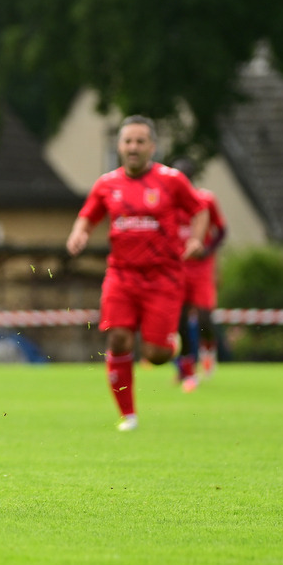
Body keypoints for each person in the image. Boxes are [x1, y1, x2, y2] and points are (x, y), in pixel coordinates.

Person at [66, 115, 208, 431]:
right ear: (119, 146)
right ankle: (128, 415)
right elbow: (87, 216)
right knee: (118, 338)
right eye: (128, 141)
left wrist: (197, 239)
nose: (133, 147)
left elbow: (200, 209)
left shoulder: (171, 180)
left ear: (152, 147)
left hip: (163, 277)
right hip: (121, 275)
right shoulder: (107, 184)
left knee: (156, 355)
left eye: (140, 141)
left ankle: (172, 345)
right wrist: (81, 233)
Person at [172, 158, 227, 390]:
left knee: (204, 317)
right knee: (180, 320)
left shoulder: (205, 200)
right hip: (178, 267)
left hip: (202, 268)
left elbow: (222, 230)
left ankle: (208, 350)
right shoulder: (167, 203)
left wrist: (207, 251)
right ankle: (187, 368)